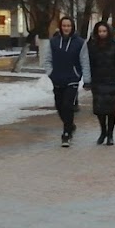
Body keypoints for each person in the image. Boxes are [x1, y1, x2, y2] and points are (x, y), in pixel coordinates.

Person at [41, 15, 91, 147]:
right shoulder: (54, 42)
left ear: (72, 27)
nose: (66, 28)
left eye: (68, 26)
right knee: (59, 106)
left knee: (68, 105)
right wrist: (51, 73)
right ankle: (70, 125)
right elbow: (47, 60)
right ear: (60, 27)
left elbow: (84, 61)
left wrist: (87, 79)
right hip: (57, 78)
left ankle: (66, 133)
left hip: (72, 79)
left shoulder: (80, 42)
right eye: (64, 26)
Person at [86, 20, 115, 145]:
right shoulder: (92, 47)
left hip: (112, 82)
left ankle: (110, 135)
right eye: (99, 31)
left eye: (104, 31)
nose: (102, 33)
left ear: (108, 32)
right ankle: (103, 131)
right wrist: (88, 80)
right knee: (99, 110)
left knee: (111, 111)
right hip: (98, 82)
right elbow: (89, 64)